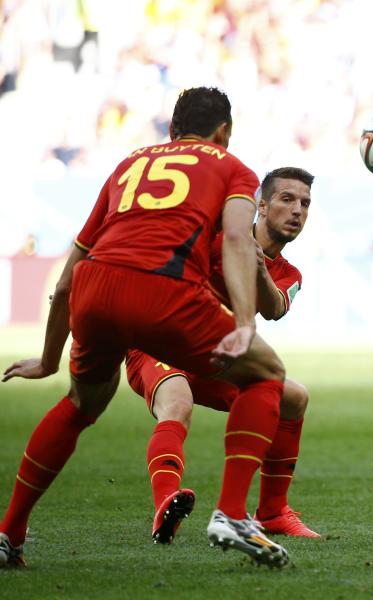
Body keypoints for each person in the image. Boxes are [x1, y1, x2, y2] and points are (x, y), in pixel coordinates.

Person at [0, 87, 290, 568]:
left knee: (81, 403)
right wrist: (243, 321)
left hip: (95, 288)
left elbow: (72, 269)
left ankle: (9, 533)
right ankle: (234, 514)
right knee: (265, 373)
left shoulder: (129, 164)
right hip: (164, 287)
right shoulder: (232, 167)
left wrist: (49, 359)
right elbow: (237, 237)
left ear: (172, 131)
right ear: (224, 132)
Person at [126, 166, 318, 544]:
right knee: (177, 401)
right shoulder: (219, 236)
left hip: (213, 356)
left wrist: (257, 263)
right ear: (261, 206)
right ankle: (166, 504)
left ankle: (273, 512)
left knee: (294, 397)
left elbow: (274, 307)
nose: (297, 210)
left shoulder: (290, 272)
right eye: (287, 199)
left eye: (305, 203)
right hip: (159, 343)